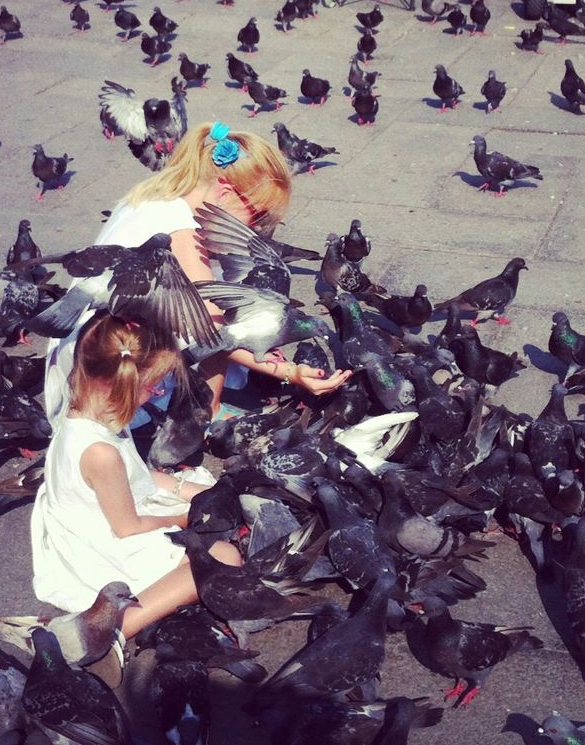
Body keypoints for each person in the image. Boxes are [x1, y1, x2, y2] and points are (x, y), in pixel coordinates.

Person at [42, 123, 351, 435]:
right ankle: (206, 413)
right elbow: (215, 332)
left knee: (216, 292)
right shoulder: (180, 233)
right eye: (258, 217)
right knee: (218, 311)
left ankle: (208, 404)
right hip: (102, 378)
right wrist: (291, 373)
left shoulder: (157, 193)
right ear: (226, 193)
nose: (259, 229)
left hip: (81, 339)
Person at [30, 311, 242, 662]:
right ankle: (115, 629)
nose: (158, 392)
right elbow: (128, 527)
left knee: (211, 502)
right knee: (224, 557)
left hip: (102, 513)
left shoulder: (95, 410)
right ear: (122, 380)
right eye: (151, 385)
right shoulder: (99, 451)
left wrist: (191, 492)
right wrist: (184, 519)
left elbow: (138, 478)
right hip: (103, 540)